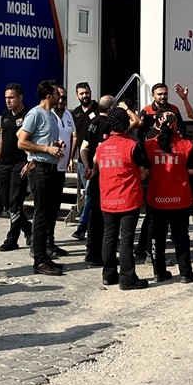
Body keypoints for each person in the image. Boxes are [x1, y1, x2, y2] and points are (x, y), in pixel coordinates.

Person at [95, 106, 149, 290]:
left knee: (109, 236)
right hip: (128, 198)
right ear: (126, 124)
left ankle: (108, 274)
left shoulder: (102, 147)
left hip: (108, 198)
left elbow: (96, 165)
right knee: (126, 239)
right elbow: (141, 168)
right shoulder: (132, 146)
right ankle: (127, 277)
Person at [17, 80, 66, 276]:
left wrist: (56, 144)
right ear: (48, 95)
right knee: (41, 215)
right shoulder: (36, 113)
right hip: (40, 171)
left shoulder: (51, 116)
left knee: (49, 214)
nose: (59, 97)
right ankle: (39, 259)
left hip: (51, 169)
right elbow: (21, 141)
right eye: (56, 93)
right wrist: (46, 149)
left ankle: (45, 255)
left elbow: (38, 139)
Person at [143, 110, 193, 283]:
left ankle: (159, 272)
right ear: (175, 124)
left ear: (158, 123)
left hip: (157, 198)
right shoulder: (186, 144)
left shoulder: (149, 144)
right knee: (181, 237)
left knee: (156, 237)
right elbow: (192, 170)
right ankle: (186, 273)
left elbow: (145, 170)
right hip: (180, 199)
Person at [78, 95, 115, 265]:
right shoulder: (108, 125)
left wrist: (86, 166)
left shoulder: (91, 123)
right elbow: (102, 151)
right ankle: (99, 255)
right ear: (112, 108)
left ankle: (90, 251)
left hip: (92, 173)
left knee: (93, 214)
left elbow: (84, 148)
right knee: (103, 216)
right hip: (103, 176)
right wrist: (93, 169)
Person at [0, 83, 32, 253]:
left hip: (20, 164)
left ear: (20, 97)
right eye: (6, 98)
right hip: (4, 164)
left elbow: (34, 140)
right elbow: (2, 138)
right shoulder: (4, 115)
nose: (8, 101)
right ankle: (28, 228)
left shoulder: (29, 116)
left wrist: (29, 162)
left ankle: (12, 239)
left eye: (11, 97)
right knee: (6, 202)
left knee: (15, 203)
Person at [70, 82, 99, 240]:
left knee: (89, 193)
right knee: (90, 194)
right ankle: (90, 225)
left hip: (97, 159)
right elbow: (75, 137)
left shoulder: (98, 109)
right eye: (81, 93)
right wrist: (71, 157)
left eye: (86, 92)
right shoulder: (76, 113)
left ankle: (82, 227)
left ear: (91, 92)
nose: (84, 95)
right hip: (82, 160)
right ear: (77, 95)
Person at [49, 85, 75, 257]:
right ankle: (40, 245)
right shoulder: (46, 114)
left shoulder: (67, 114)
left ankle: (50, 242)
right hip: (48, 167)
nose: (61, 100)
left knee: (54, 207)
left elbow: (74, 135)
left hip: (61, 168)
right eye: (58, 97)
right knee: (46, 208)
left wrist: (71, 157)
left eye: (64, 97)